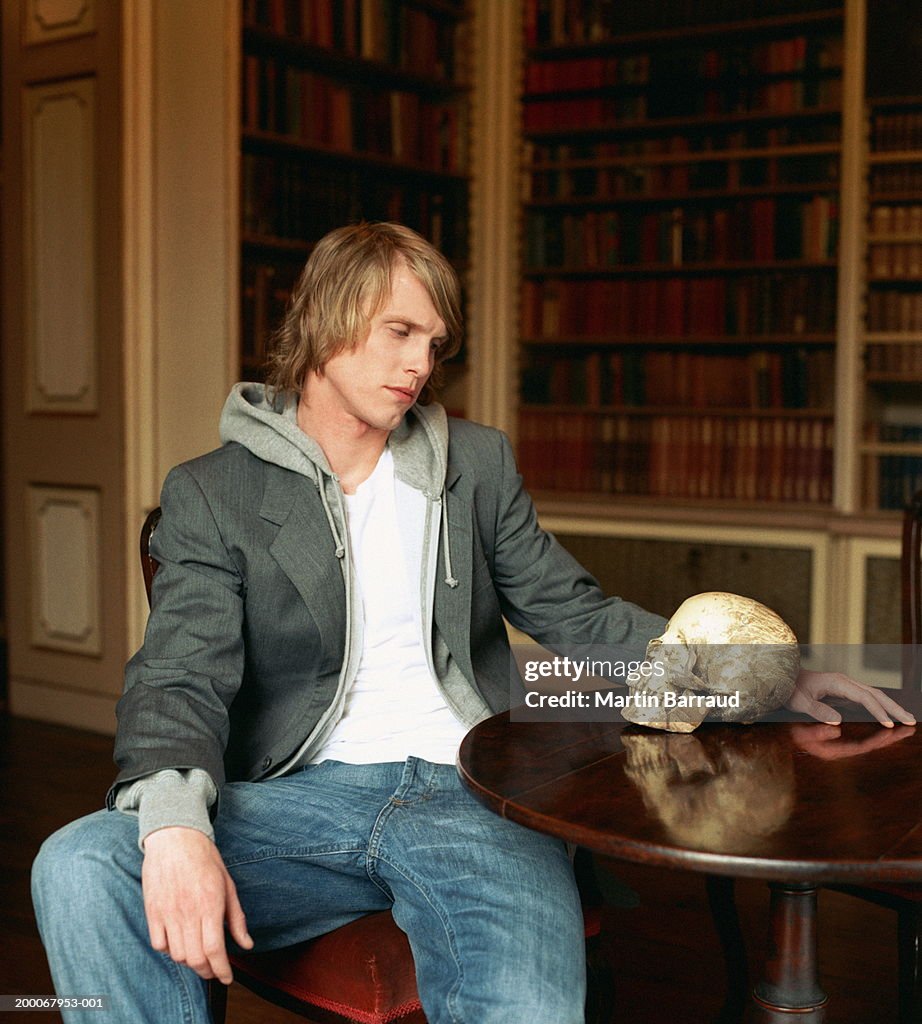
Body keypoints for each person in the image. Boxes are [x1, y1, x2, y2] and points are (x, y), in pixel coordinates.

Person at [32, 222, 915, 1024]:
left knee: (525, 1007)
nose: (422, 364)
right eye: (400, 333)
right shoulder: (214, 492)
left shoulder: (475, 464)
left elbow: (574, 610)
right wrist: (178, 825)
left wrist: (764, 678)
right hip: (293, 802)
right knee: (82, 863)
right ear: (329, 321)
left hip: (475, 793)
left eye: (435, 343)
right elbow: (179, 672)